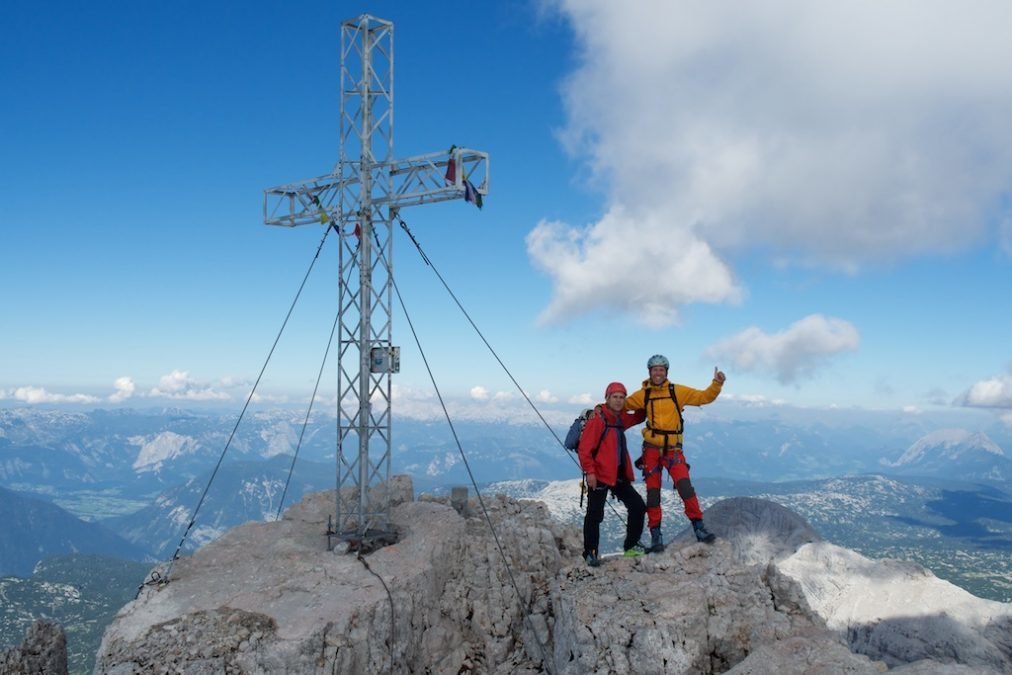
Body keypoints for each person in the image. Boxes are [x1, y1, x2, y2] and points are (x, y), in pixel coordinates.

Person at [625, 355, 726, 551]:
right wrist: (598, 410)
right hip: (652, 449)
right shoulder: (643, 394)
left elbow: (704, 397)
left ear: (666, 372)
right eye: (654, 370)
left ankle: (699, 527)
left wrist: (717, 383)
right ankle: (656, 536)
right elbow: (621, 404)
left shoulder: (677, 391)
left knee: (685, 488)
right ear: (649, 372)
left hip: (673, 450)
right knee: (653, 494)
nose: (658, 373)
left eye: (661, 369)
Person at [579, 381, 648, 567]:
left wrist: (649, 395)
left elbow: (640, 416)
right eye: (615, 397)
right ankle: (590, 552)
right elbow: (584, 449)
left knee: (638, 506)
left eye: (621, 397)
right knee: (595, 514)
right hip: (600, 474)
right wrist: (590, 472)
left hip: (618, 475)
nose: (618, 400)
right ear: (607, 398)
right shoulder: (598, 419)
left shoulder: (620, 418)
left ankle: (631, 546)